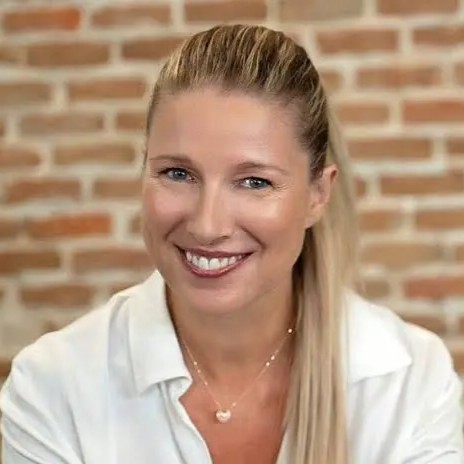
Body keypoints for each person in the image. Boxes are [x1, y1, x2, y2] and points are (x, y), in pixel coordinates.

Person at [1, 24, 463, 464]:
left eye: (255, 182)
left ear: (318, 195)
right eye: (177, 173)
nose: (208, 226)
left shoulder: (410, 384)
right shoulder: (53, 388)